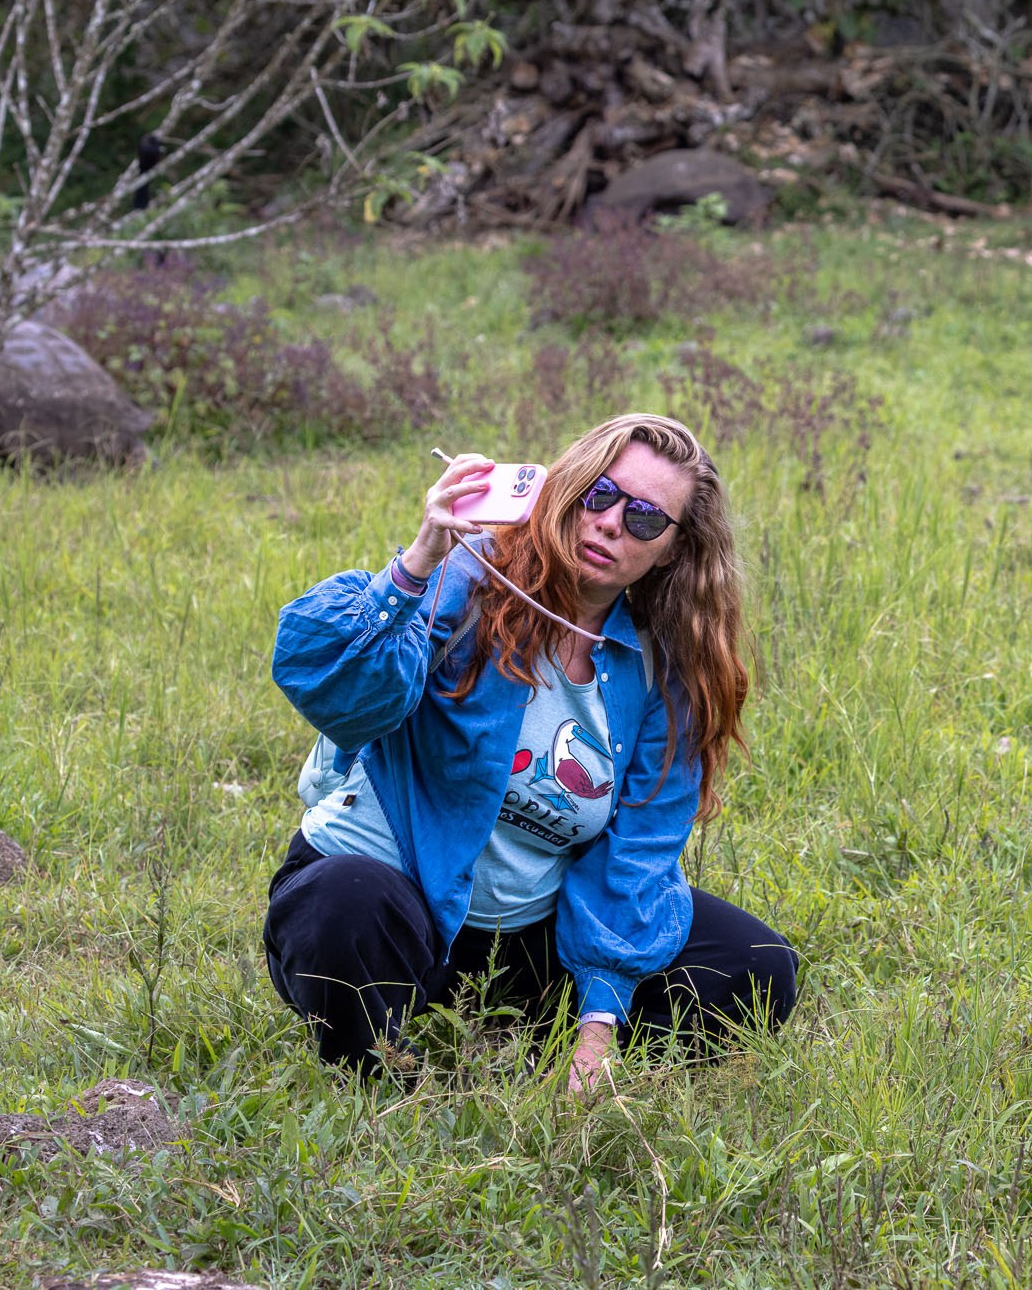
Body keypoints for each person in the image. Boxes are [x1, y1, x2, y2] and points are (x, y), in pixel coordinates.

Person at [266, 414, 796, 1091]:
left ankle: (541, 1045)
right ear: (568, 489)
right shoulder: (474, 577)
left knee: (756, 962)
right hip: (395, 897)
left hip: (521, 932)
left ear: (670, 550)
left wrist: (596, 1028)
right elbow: (334, 687)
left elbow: (637, 849)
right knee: (347, 902)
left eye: (643, 519)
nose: (608, 523)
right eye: (600, 495)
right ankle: (382, 1076)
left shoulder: (666, 673)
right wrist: (419, 562)